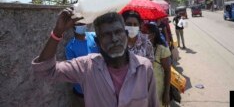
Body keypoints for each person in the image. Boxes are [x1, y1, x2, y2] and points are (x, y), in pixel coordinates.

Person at [31, 8, 159, 107]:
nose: (114, 39)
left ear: (126, 35)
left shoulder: (144, 67)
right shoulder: (86, 66)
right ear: (97, 42)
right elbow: (44, 71)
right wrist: (57, 32)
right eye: (106, 35)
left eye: (118, 32)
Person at [65, 23, 99, 106]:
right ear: (74, 27)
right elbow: (73, 70)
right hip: (82, 89)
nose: (82, 26)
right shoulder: (70, 47)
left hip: (99, 85)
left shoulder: (94, 37)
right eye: (79, 24)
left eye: (83, 23)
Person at [144, 23, 171, 107]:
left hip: (158, 91)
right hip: (143, 92)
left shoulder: (161, 49)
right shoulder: (139, 49)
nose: (142, 35)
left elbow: (167, 71)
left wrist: (166, 93)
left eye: (145, 33)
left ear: (153, 35)